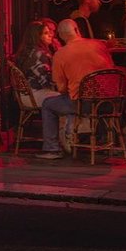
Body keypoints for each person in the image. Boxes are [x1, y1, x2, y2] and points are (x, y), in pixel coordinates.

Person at [34, 18, 113, 159]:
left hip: (84, 104)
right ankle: (105, 139)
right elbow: (111, 70)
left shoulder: (60, 54)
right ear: (77, 30)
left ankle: (52, 149)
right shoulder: (99, 45)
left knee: (48, 104)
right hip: (111, 102)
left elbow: (62, 88)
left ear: (60, 36)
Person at [14, 20, 57, 106]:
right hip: (35, 95)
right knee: (67, 101)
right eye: (45, 33)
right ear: (37, 36)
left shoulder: (25, 51)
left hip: (24, 95)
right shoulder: (40, 54)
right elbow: (47, 82)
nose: (50, 35)